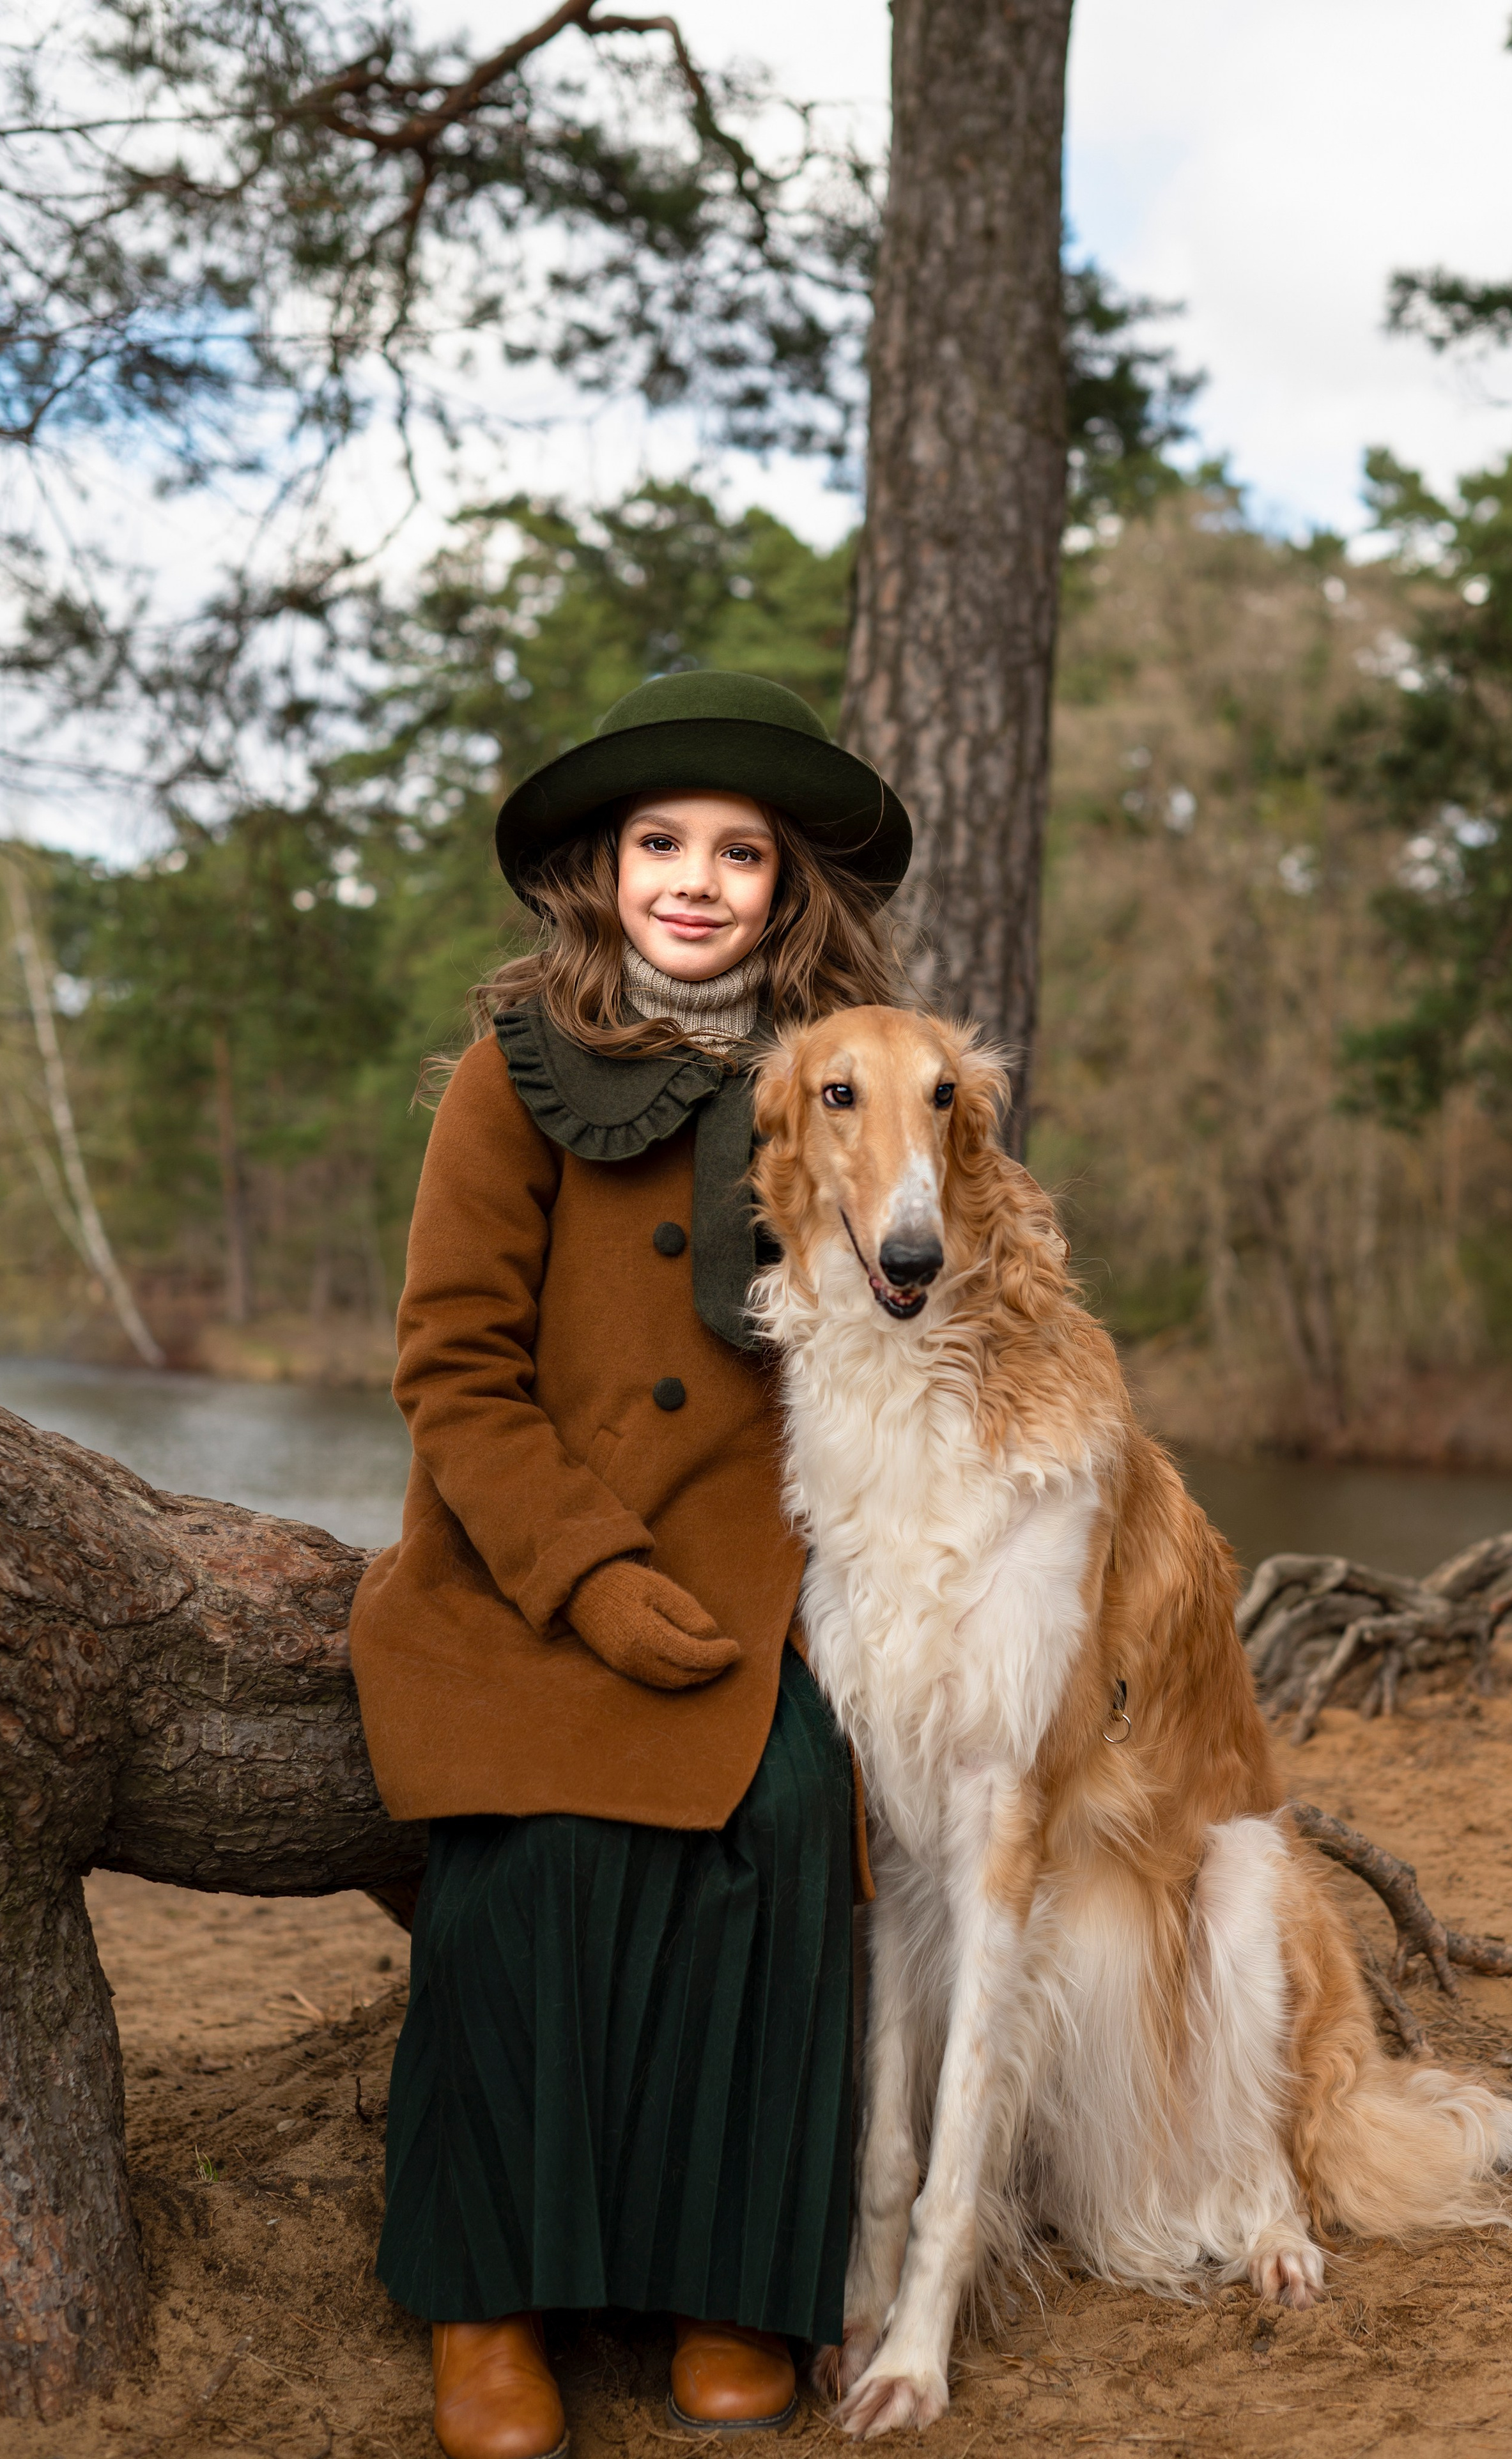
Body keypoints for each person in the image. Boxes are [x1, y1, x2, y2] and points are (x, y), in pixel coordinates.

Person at [349, 668, 913, 2459]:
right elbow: (451, 1366)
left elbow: (911, 1337)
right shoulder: (506, 1077)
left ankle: (729, 2282)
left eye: (737, 851)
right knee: (531, 1854)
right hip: (534, 1564)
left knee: (784, 1819)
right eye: (658, 841)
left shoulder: (846, 1082)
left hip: (765, 1579)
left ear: (785, 887)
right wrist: (583, 1573)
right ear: (601, 871)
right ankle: (487, 2300)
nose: (694, 876)